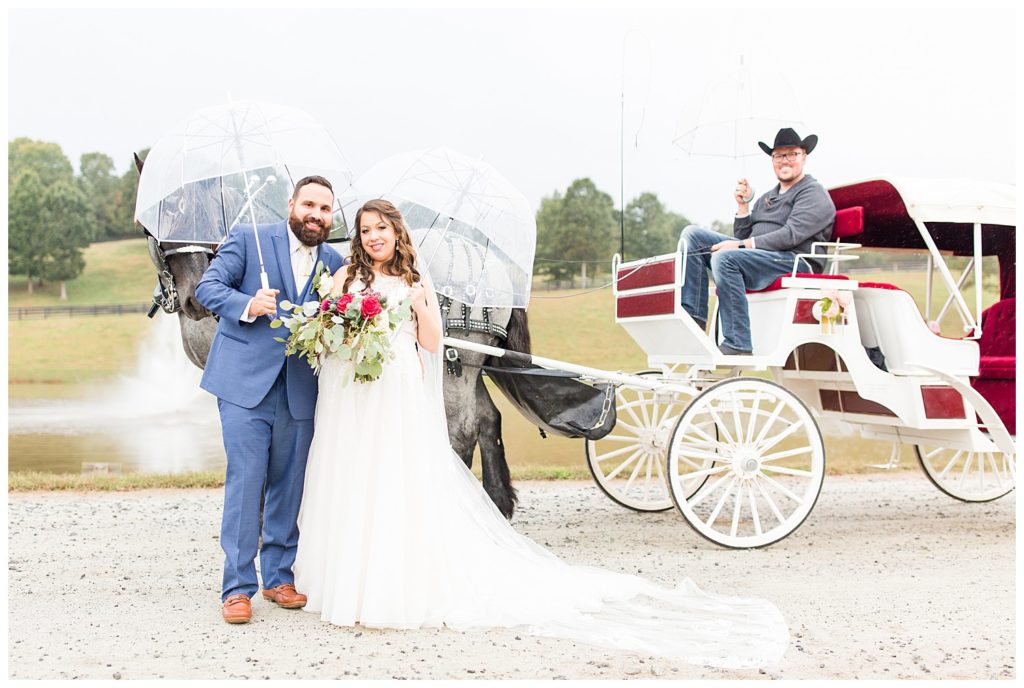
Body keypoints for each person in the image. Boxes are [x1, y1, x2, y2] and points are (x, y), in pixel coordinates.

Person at [292, 199, 789, 669]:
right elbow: (328, 322)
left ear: (396, 233)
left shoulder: (415, 280)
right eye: (365, 230)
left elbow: (429, 342)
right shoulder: (345, 276)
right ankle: (346, 580)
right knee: (354, 474)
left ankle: (384, 585)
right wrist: (339, 322)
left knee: (392, 477)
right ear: (358, 238)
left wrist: (422, 306)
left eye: (381, 228)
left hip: (395, 383)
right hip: (352, 392)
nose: (374, 236)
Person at [195, 175, 346, 624]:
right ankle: (236, 588)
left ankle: (278, 576)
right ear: (292, 204)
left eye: (324, 209)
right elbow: (207, 288)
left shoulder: (335, 261)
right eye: (309, 205)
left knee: (289, 484)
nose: (316, 215)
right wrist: (248, 303)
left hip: (300, 387)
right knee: (247, 481)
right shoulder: (249, 239)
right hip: (244, 385)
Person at [680, 127, 836, 355]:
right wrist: (743, 206)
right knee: (692, 235)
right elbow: (744, 237)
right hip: (764, 258)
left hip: (795, 261)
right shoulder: (766, 198)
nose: (785, 161)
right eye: (779, 155)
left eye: (792, 154)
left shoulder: (813, 194)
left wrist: (741, 246)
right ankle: (693, 318)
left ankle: (738, 343)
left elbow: (790, 235)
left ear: (804, 156)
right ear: (772, 160)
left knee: (726, 258)